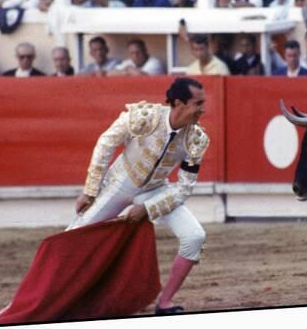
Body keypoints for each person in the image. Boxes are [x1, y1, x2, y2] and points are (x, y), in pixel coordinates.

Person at [68, 78, 209, 315]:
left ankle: (164, 304)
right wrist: (90, 190)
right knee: (72, 239)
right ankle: (27, 304)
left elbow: (184, 188)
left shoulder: (196, 139)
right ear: (179, 103)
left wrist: (149, 209)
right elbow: (106, 143)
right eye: (198, 103)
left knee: (195, 236)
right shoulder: (145, 116)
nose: (203, 109)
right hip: (121, 183)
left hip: (155, 190)